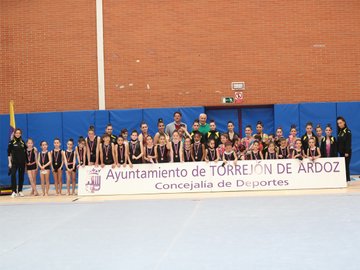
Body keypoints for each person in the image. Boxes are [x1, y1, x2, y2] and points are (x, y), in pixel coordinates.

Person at [7, 128, 27, 197]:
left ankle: (20, 191)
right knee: (13, 175)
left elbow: (27, 150)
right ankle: (14, 191)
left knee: (21, 176)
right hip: (14, 162)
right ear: (14, 134)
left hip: (22, 162)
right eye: (16, 133)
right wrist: (9, 162)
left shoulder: (23, 142)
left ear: (20, 134)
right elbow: (9, 153)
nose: (18, 134)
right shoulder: (11, 142)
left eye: (19, 133)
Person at [337, 116, 352, 182]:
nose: (339, 124)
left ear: (344, 122)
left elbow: (348, 142)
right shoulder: (340, 131)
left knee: (346, 166)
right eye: (338, 123)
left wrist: (347, 152)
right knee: (343, 166)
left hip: (346, 152)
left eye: (340, 123)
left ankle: (347, 180)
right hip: (341, 152)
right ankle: (344, 179)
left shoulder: (347, 131)